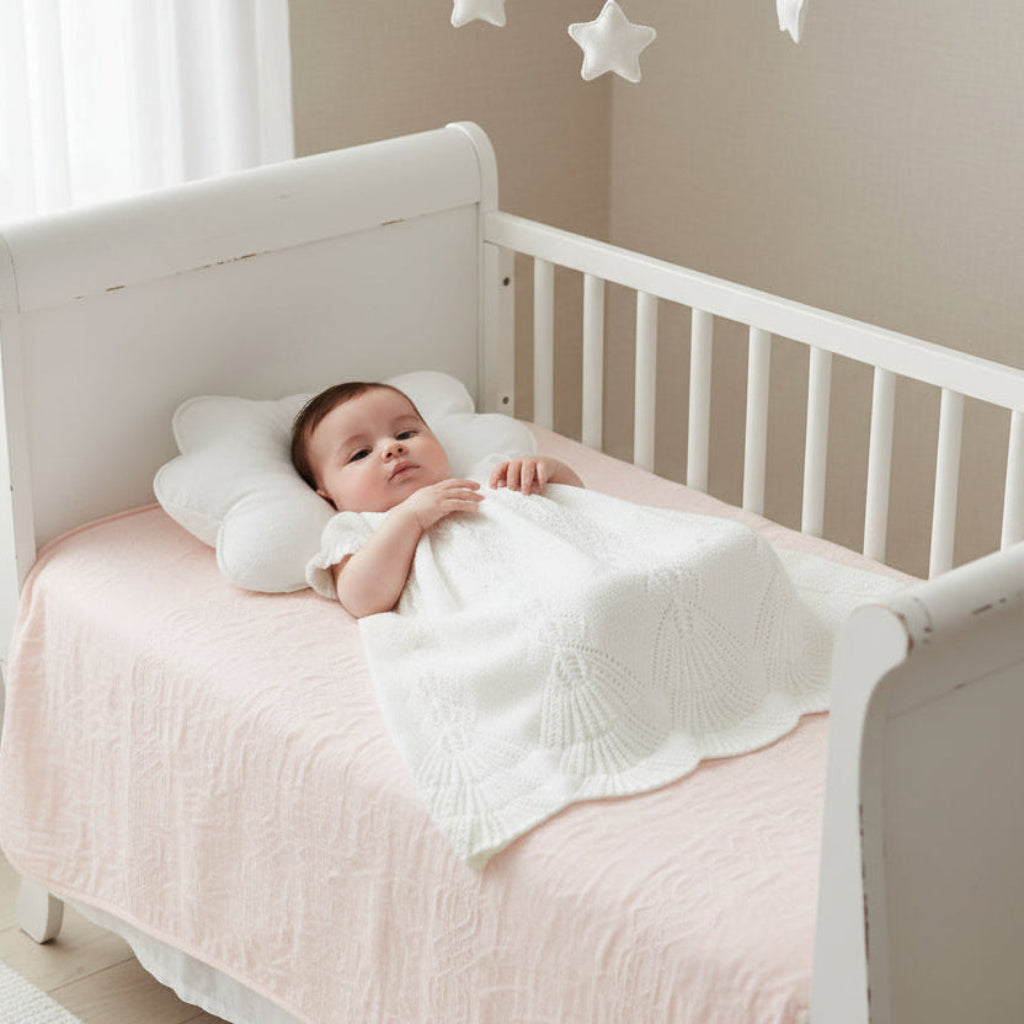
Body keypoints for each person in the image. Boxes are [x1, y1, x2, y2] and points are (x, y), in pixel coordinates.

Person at [291, 381, 583, 617]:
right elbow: (361, 601)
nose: (392, 448)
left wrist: (549, 471)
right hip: (487, 615)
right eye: (361, 454)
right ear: (327, 493)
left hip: (560, 578)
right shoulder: (357, 528)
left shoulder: (486, 476)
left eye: (405, 433)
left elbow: (581, 508)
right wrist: (410, 518)